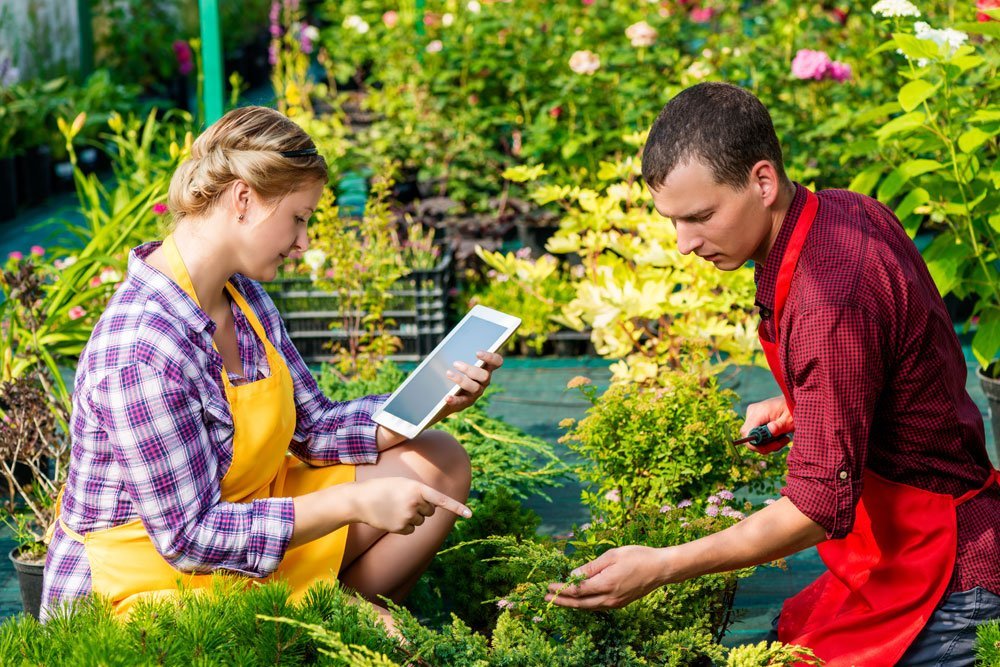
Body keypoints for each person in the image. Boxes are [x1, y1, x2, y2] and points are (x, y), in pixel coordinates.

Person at [546, 82, 999, 665]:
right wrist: (806, 404)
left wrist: (661, 565)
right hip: (902, 539)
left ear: (762, 181)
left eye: (701, 216)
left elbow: (816, 507)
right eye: (673, 222)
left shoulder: (829, 300)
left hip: (950, 575)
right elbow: (899, 361)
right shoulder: (845, 209)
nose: (685, 244)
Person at [41, 106, 503, 626]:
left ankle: (339, 620)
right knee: (372, 627)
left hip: (246, 524)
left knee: (436, 460)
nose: (304, 243)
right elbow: (188, 538)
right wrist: (354, 503)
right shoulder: (142, 347)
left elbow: (315, 427)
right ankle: (338, 627)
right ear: (244, 199)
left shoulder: (245, 299)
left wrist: (430, 401)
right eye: (299, 218)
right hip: (149, 578)